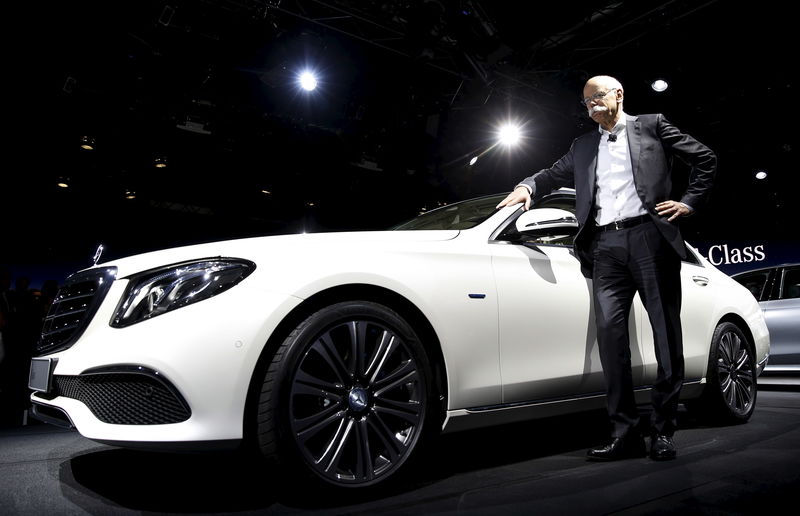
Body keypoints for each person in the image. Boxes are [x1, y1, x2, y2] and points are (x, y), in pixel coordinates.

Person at [496, 75, 716, 461]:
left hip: (649, 238)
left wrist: (689, 202)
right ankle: (625, 433)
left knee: (666, 339)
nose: (592, 105)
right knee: (612, 344)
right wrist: (527, 188)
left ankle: (662, 432)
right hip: (604, 248)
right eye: (586, 102)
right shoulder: (582, 146)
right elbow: (549, 175)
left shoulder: (652, 125)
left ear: (618, 94)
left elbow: (705, 159)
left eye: (598, 97)